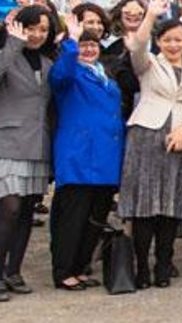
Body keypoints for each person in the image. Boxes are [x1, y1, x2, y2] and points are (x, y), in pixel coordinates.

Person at [0, 5, 62, 301]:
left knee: (26, 210)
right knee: (9, 208)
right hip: (6, 142)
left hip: (37, 144)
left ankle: (14, 271)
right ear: (20, 27)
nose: (37, 35)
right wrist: (13, 43)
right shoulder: (2, 56)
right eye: (32, 28)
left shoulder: (49, 63)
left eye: (43, 30)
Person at [118, 2, 182, 290]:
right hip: (147, 137)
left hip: (181, 141)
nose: (173, 44)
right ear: (159, 42)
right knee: (146, 206)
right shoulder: (148, 63)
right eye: (167, 39)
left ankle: (164, 264)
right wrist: (152, 14)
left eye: (178, 39)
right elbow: (138, 45)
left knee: (171, 206)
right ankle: (141, 266)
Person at [45, 28, 123, 294]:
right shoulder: (69, 71)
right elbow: (59, 75)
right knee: (73, 218)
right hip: (79, 154)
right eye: (84, 45)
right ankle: (64, 270)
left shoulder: (103, 73)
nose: (88, 50)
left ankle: (80, 266)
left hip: (106, 156)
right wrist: (70, 44)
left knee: (94, 218)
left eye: (92, 45)